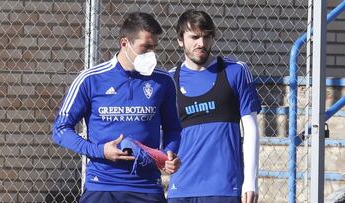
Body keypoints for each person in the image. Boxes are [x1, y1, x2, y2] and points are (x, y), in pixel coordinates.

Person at [52, 12, 181, 203]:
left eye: (154, 48)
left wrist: (170, 153)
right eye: (145, 48)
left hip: (146, 188)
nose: (150, 54)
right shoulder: (91, 79)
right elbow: (60, 130)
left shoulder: (163, 81)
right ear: (124, 43)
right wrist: (100, 151)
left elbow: (173, 128)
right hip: (102, 185)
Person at [167, 9, 261, 203]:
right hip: (181, 189)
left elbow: (251, 129)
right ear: (180, 40)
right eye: (194, 37)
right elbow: (164, 132)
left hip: (225, 187)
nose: (201, 43)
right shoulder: (168, 80)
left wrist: (250, 181)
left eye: (206, 36)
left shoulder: (236, 71)